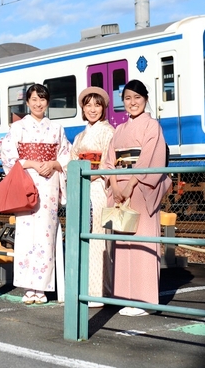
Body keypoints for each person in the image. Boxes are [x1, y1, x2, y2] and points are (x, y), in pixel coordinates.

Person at [103, 79, 171, 316]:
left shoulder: (152, 126)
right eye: (128, 98)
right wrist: (114, 183)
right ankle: (126, 296)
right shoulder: (119, 129)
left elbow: (151, 159)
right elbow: (109, 161)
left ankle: (144, 300)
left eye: (137, 98)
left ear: (145, 100)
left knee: (141, 240)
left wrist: (130, 184)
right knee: (122, 244)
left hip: (141, 188)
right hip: (121, 188)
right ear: (123, 102)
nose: (133, 103)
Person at [0, 83, 71, 305]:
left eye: (42, 99)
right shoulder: (18, 128)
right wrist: (31, 162)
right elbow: (8, 156)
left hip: (49, 185)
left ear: (47, 102)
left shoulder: (57, 129)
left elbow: (67, 155)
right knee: (25, 234)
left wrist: (53, 163)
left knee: (46, 234)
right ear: (28, 102)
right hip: (27, 182)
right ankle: (28, 286)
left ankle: (42, 287)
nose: (38, 103)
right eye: (34, 99)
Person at [68, 86, 115, 308]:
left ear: (104, 107)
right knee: (84, 237)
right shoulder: (79, 136)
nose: (93, 109)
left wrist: (89, 173)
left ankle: (100, 290)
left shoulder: (109, 132)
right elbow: (71, 161)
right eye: (88, 105)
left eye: (97, 104)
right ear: (83, 109)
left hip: (98, 189)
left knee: (98, 237)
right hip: (82, 189)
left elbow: (108, 162)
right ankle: (85, 287)